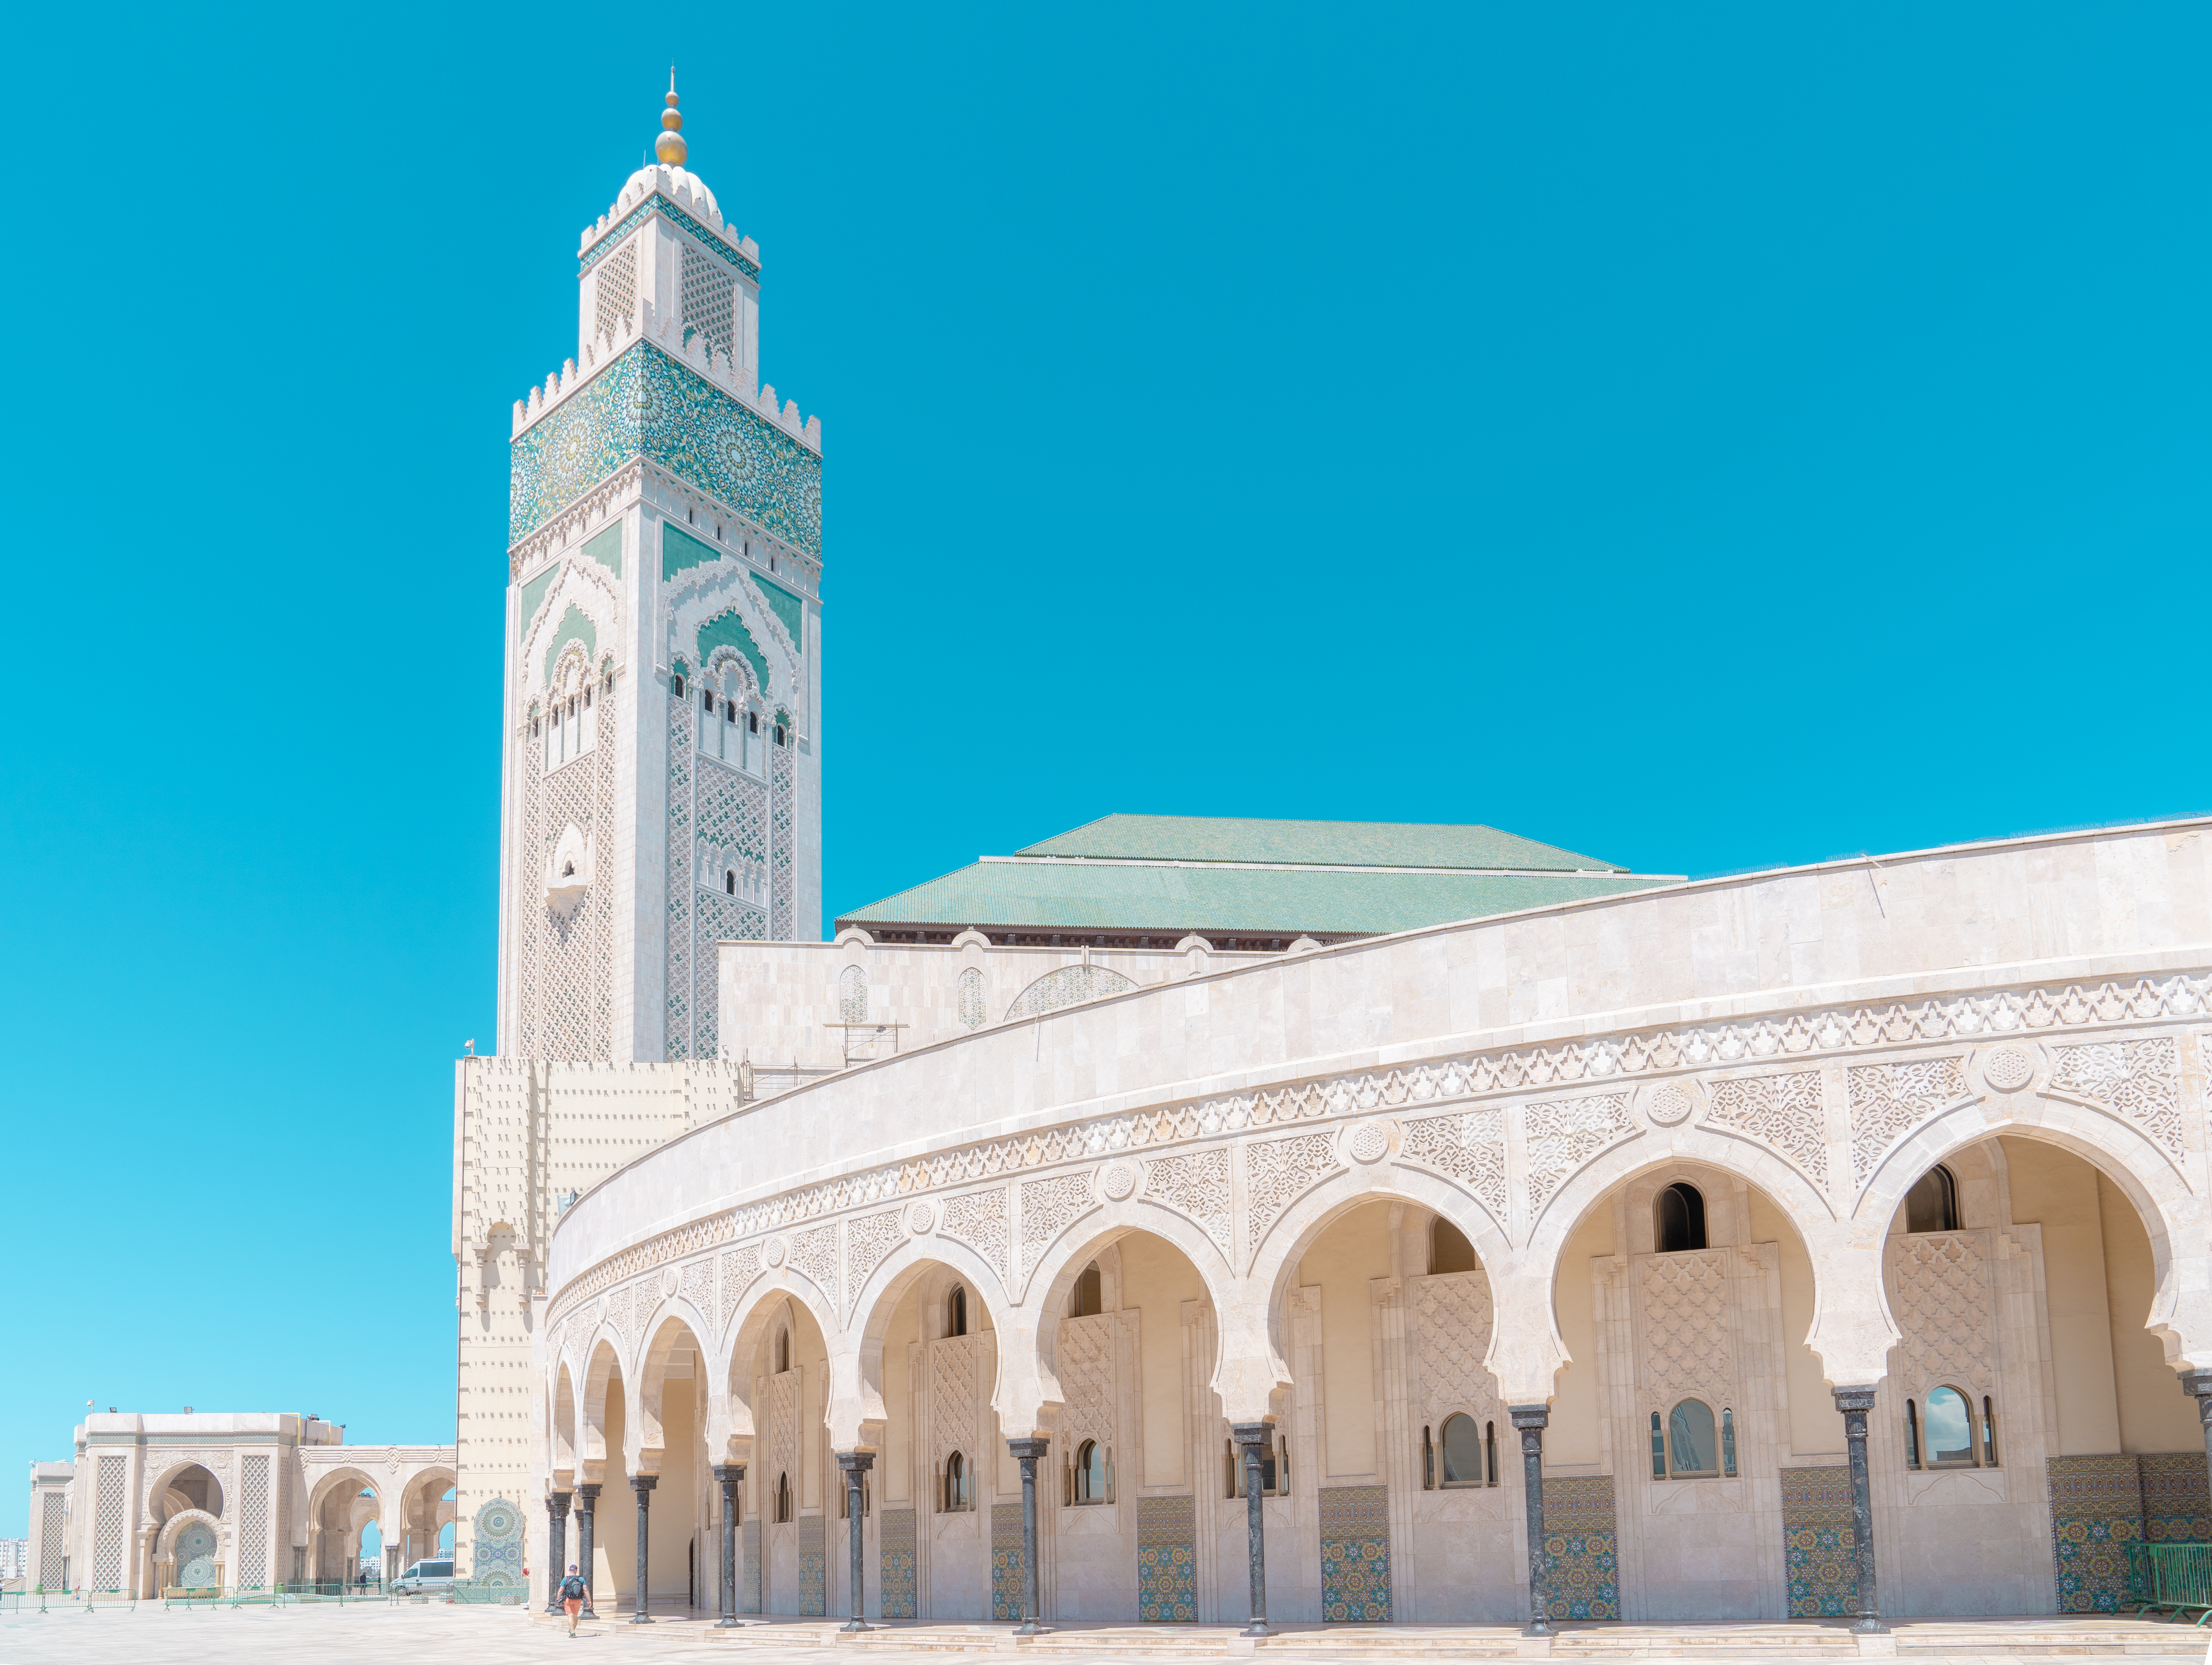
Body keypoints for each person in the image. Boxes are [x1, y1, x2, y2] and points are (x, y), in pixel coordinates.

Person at [559, 1563, 588, 1635]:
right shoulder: (581, 1579)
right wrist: (589, 1600)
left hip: (568, 1600)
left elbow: (561, 1590)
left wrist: (558, 1599)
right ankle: (573, 1630)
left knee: (570, 1616)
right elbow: (586, 1590)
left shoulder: (566, 1579)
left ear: (569, 1570)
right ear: (576, 1570)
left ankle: (573, 1632)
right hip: (578, 1600)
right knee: (575, 1616)